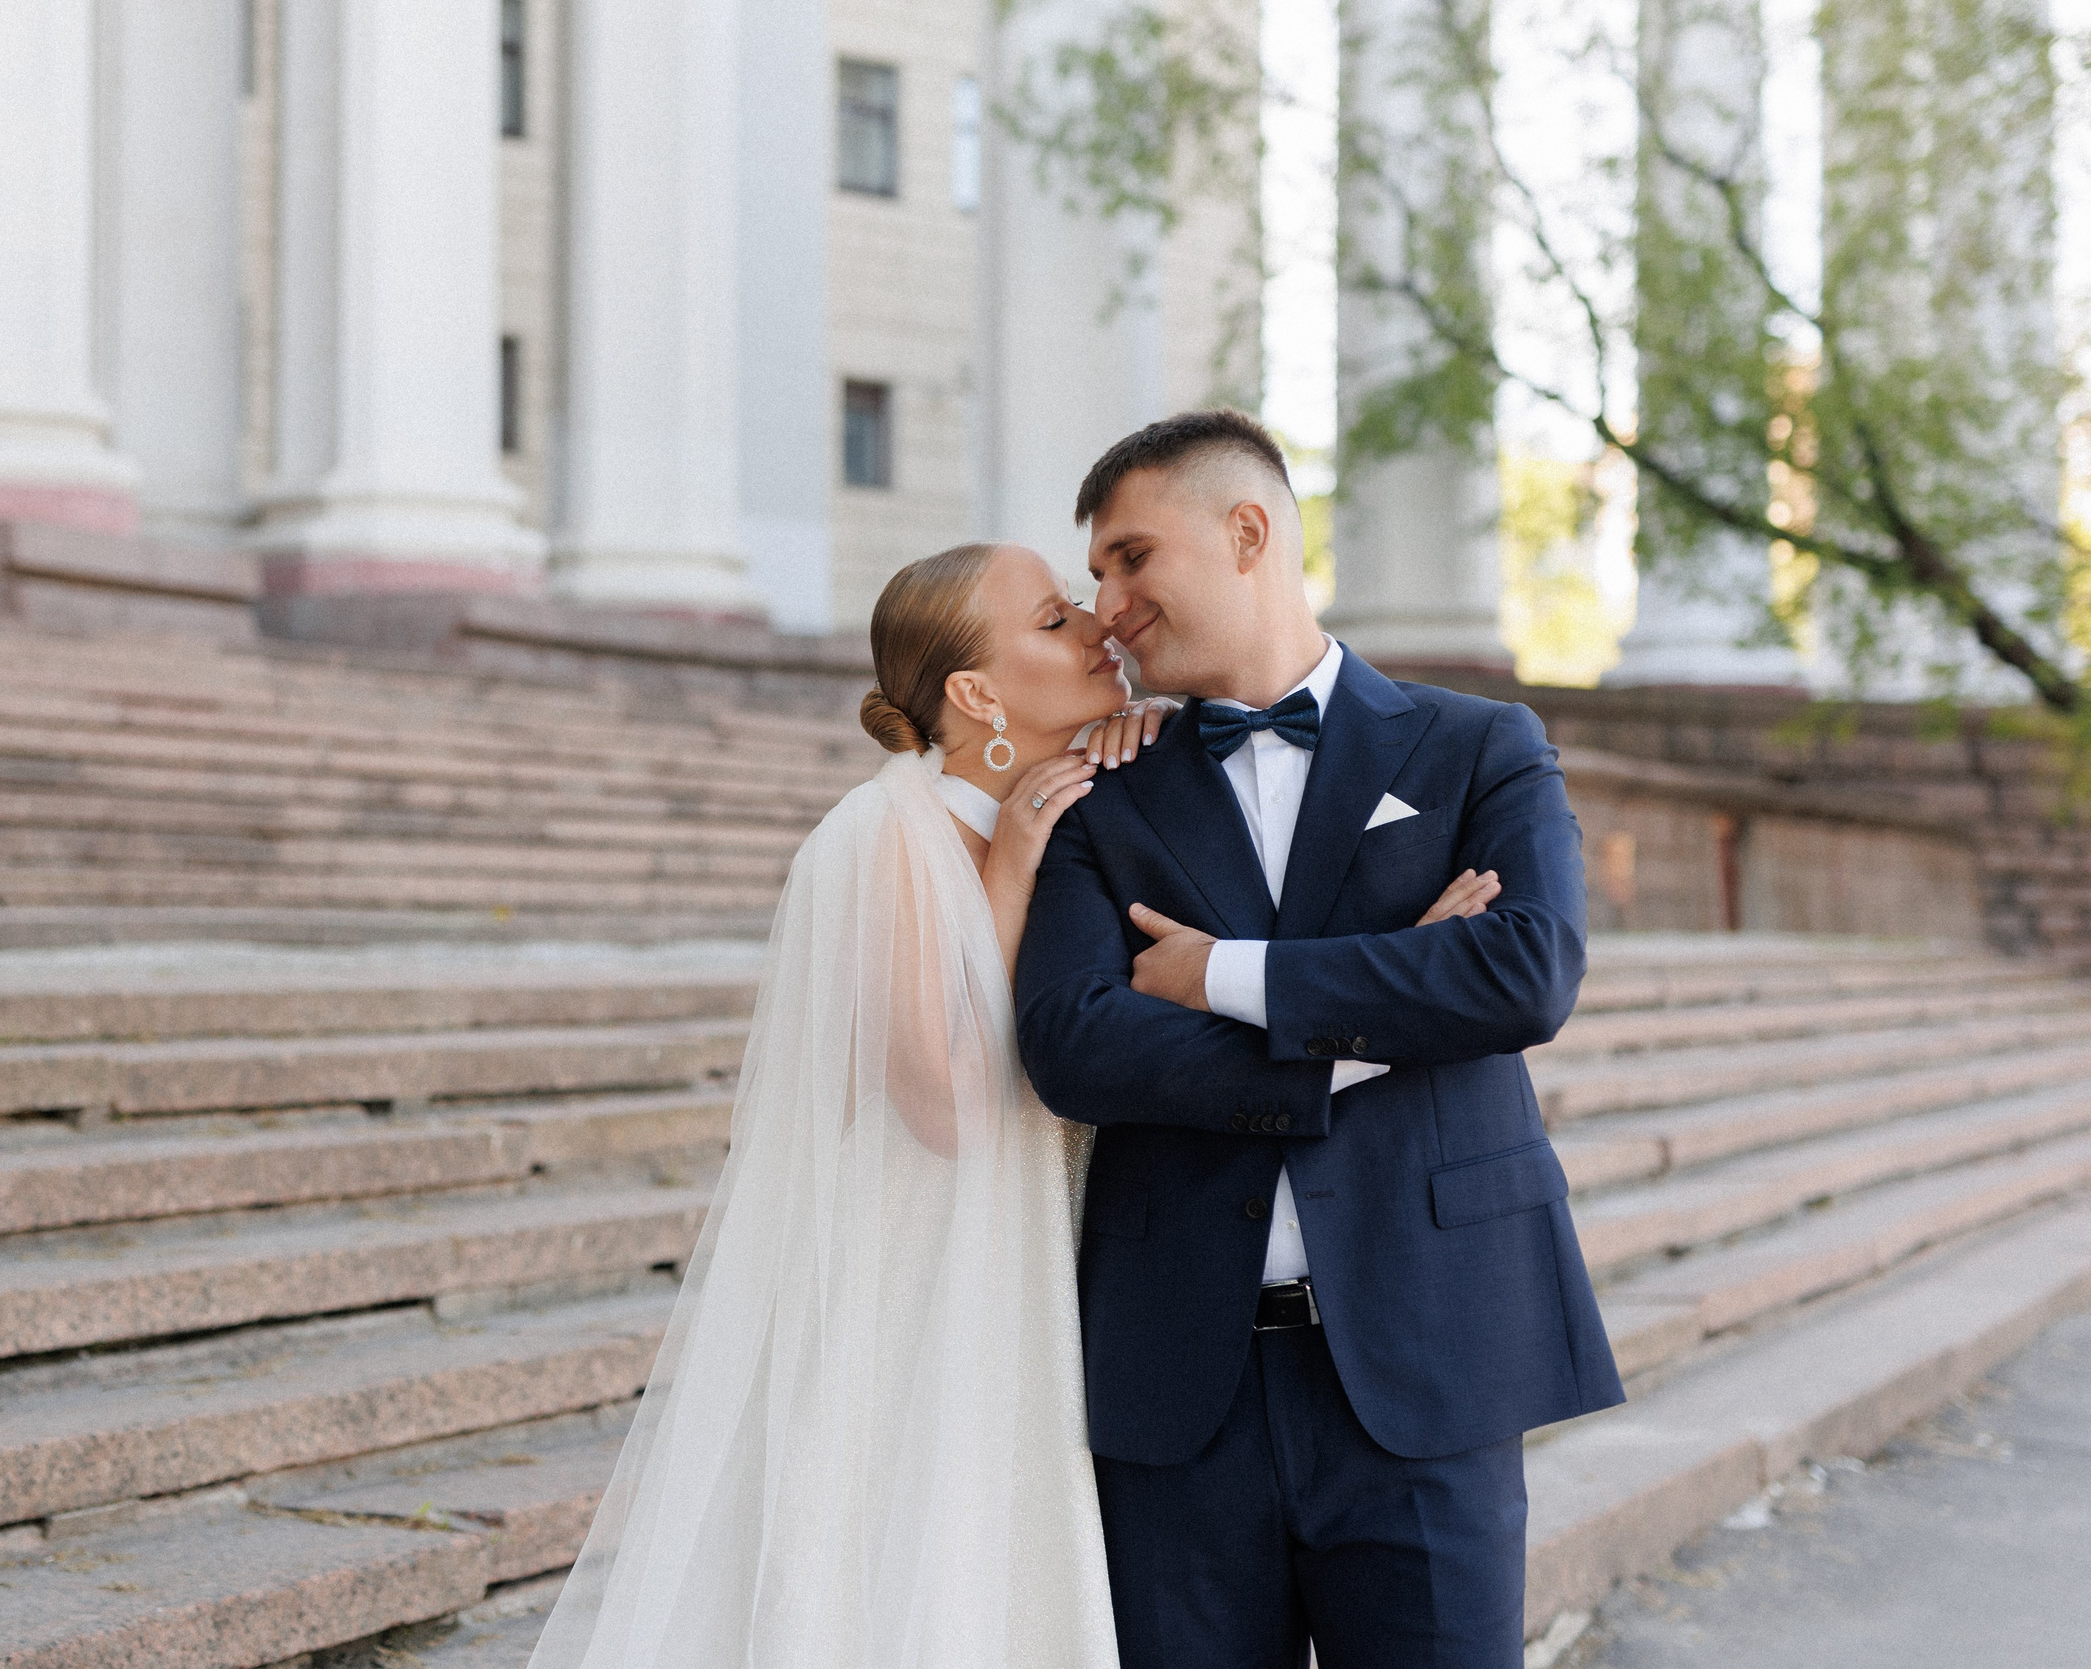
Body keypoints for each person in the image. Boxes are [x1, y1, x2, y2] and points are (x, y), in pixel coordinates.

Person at [532, 536, 1500, 1669]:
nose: (1098, 624)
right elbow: (942, 1098)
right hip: (928, 1277)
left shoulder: (1087, 802)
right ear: (974, 692)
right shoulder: (881, 833)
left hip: (1048, 1264)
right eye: (1052, 618)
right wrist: (1011, 869)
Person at [1016, 409, 1625, 1669]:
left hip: (1430, 1360)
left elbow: (1521, 971)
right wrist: (1388, 1013)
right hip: (1178, 1379)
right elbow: (1075, 1042)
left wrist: (1218, 974)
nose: (1110, 604)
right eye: (1094, 579)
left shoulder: (1476, 748)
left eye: (1130, 558)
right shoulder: (1102, 790)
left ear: (1246, 532)